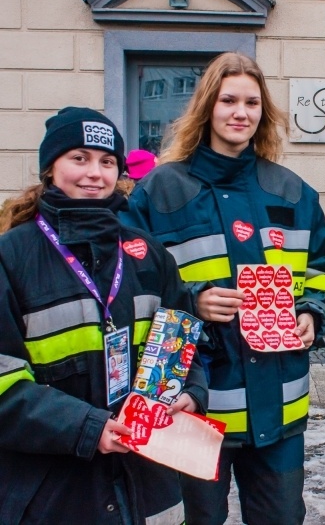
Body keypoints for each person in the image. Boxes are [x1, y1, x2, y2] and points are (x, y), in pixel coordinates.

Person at [121, 52, 325, 525]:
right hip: (195, 402)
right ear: (207, 108)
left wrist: (312, 312)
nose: (241, 112)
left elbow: (319, 269)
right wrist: (192, 297)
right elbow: (129, 282)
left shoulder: (293, 192)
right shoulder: (159, 190)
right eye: (228, 100)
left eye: (252, 102)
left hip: (278, 403)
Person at [0, 106, 208, 524]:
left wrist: (191, 392)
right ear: (51, 168)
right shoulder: (11, 256)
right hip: (53, 494)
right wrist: (86, 427)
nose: (95, 172)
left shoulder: (148, 254)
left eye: (107, 161)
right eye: (79, 158)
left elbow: (187, 342)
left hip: (149, 487)